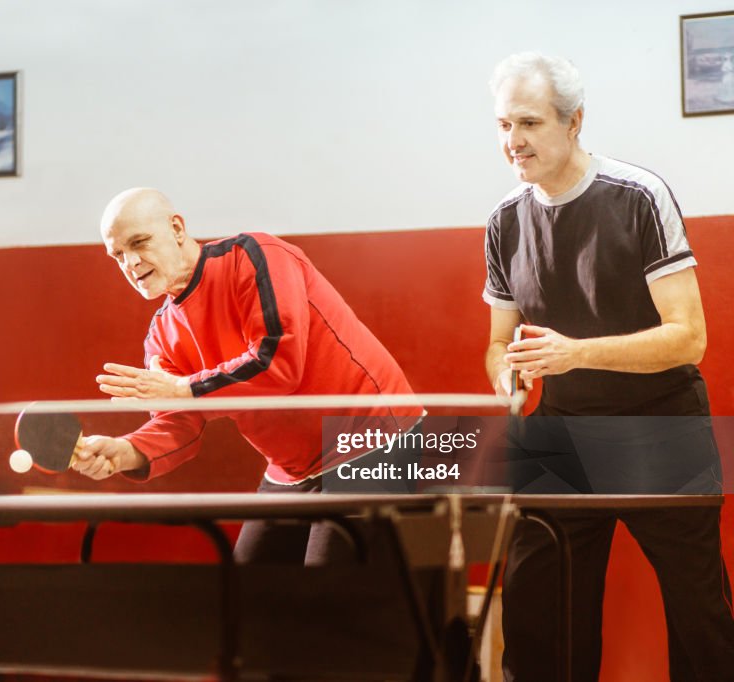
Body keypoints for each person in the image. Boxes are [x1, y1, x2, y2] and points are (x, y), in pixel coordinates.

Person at [483, 52, 734, 680]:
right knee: (538, 617)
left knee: (699, 621)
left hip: (661, 429)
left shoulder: (640, 196)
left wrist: (574, 353)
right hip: (561, 433)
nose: (514, 141)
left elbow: (689, 339)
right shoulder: (502, 221)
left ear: (574, 123)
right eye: (503, 124)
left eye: (531, 123)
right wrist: (508, 372)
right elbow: (497, 344)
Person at [71, 187, 422, 565]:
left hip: (373, 440)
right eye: (118, 254)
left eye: (139, 242)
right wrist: (127, 451)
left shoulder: (255, 256)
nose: (131, 262)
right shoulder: (161, 334)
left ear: (176, 228)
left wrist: (184, 388)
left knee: (327, 602)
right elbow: (179, 420)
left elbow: (279, 363)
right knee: (244, 599)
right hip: (291, 470)